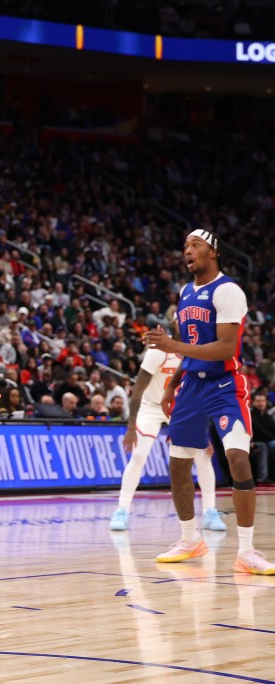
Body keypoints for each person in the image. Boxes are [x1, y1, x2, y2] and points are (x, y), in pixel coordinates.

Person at [145, 228, 274, 575]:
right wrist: (172, 384)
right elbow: (190, 351)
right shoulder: (185, 294)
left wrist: (172, 347)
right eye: (185, 246)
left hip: (224, 385)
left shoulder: (228, 290)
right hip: (191, 386)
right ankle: (190, 539)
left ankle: (246, 551)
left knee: (237, 457)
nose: (187, 251)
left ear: (213, 252)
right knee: (177, 464)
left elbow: (224, 348)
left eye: (195, 245)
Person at [110, 324, 223, 532]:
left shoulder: (198, 350)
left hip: (181, 407)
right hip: (151, 406)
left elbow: (201, 392)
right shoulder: (158, 350)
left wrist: (203, 431)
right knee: (138, 456)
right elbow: (138, 388)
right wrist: (131, 425)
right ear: (174, 325)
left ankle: (210, 512)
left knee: (203, 456)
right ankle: (122, 510)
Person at [248, 391, 275, 483]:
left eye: (263, 401)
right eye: (258, 401)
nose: (261, 403)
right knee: (268, 445)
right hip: (254, 442)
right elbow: (261, 432)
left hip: (267, 441)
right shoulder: (251, 415)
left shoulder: (266, 415)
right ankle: (262, 478)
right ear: (253, 402)